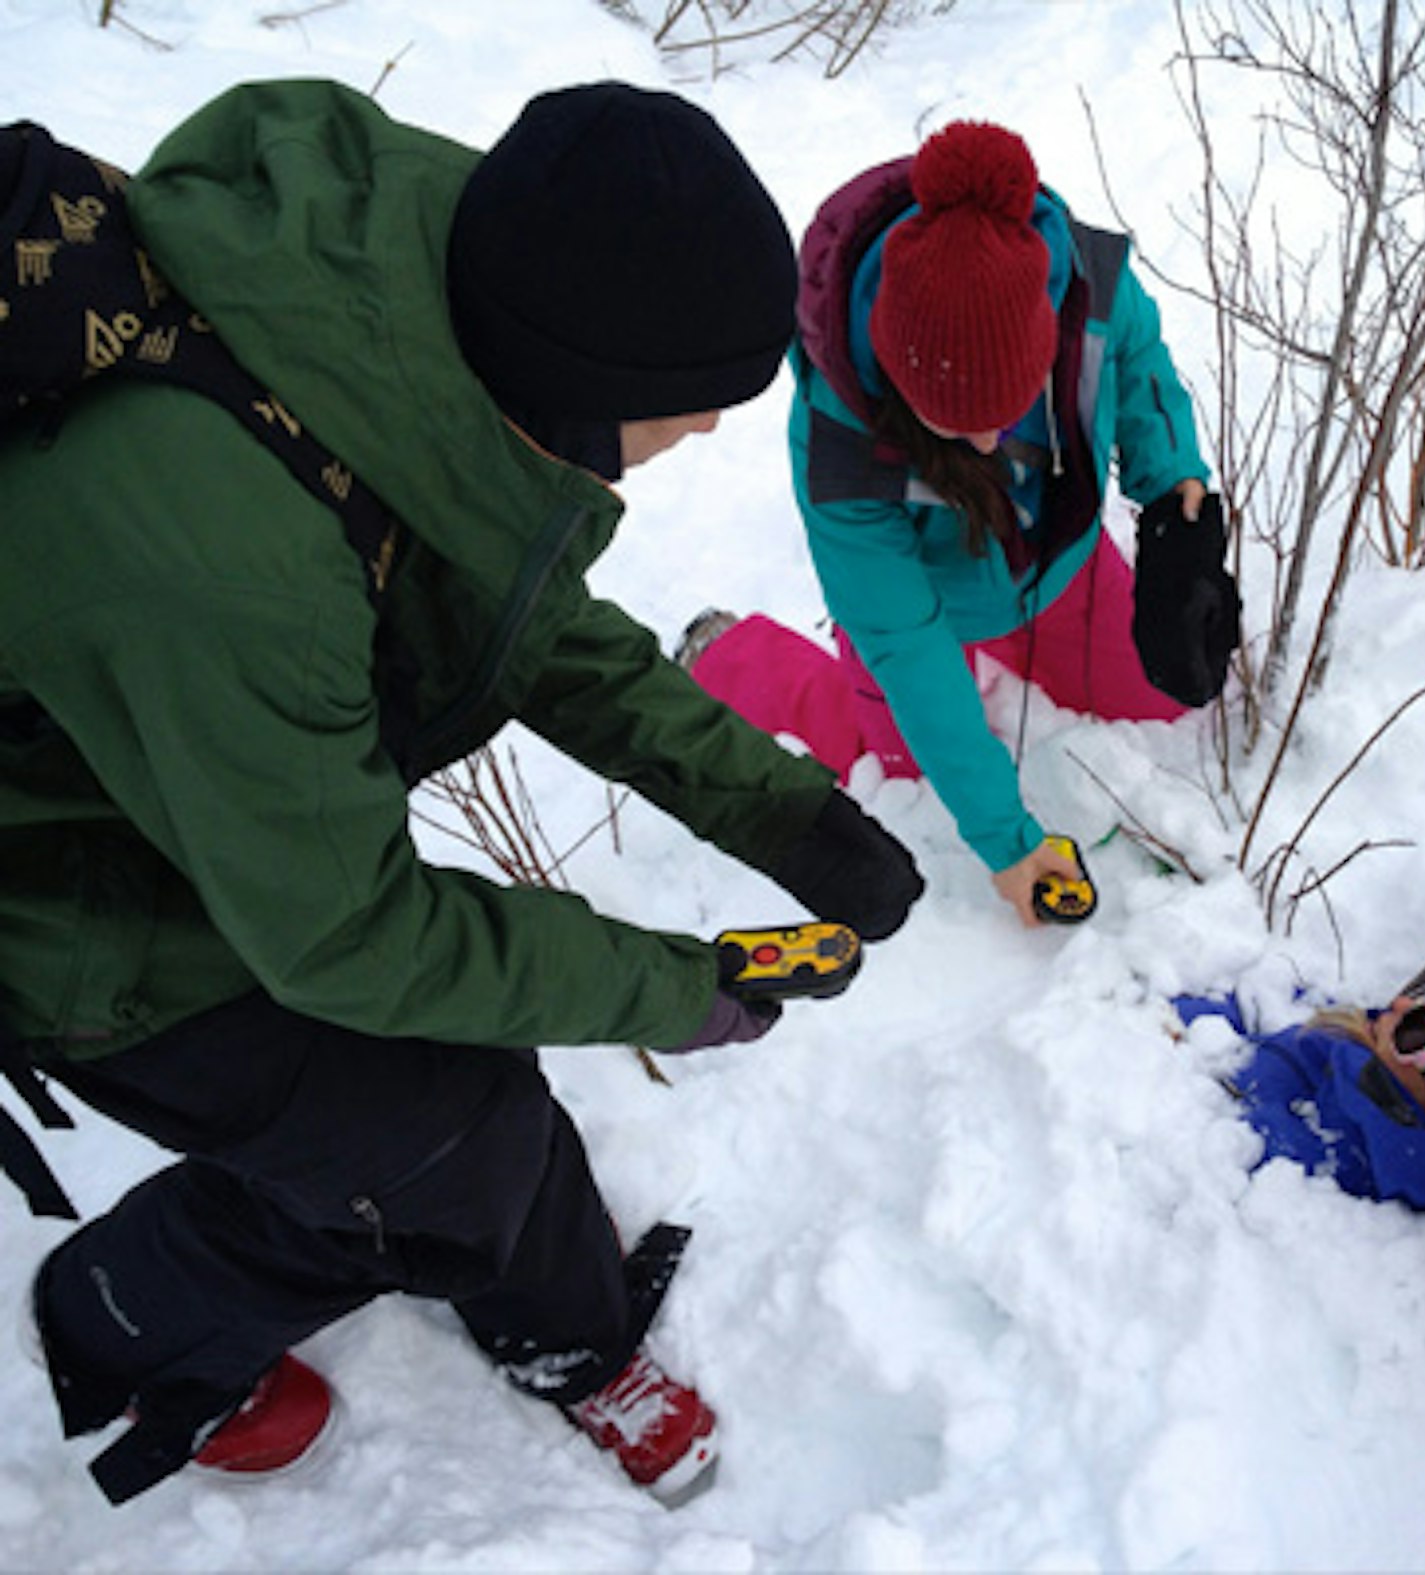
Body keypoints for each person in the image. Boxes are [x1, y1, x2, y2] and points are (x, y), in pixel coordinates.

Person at [0, 79, 923, 1506]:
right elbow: (350, 937)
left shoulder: (430, 292)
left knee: (472, 1103)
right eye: (687, 415)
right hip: (76, 901)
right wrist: (675, 981)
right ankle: (126, 1314)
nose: (712, 438)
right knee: (432, 1137)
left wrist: (780, 809)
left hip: (195, 776)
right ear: (582, 387)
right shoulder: (237, 568)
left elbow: (511, 610)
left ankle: (560, 1313)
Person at [683, 119, 1235, 927]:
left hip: (1057, 563)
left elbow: (1138, 358)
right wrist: (1006, 840)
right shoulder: (835, 440)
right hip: (924, 607)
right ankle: (734, 654)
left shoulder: (1083, 285)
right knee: (901, 763)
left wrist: (1173, 487)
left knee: (1162, 698)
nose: (984, 441)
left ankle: (1011, 638)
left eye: (1004, 412)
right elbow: (908, 649)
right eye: (953, 422)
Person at [1176, 987, 1425, 1210]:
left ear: (1423, 1102)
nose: (1402, 1003)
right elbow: (1257, 997)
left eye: (1417, 1029)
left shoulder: (1345, 1149)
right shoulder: (1358, 1034)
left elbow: (1215, 1145)